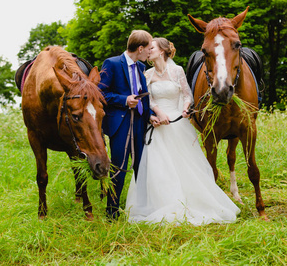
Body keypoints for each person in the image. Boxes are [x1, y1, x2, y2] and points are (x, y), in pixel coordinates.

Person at [125, 37, 240, 225]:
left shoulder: (177, 71)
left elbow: (186, 94)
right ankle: (161, 203)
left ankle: (193, 200)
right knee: (158, 166)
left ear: (161, 51)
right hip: (158, 124)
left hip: (178, 123)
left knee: (185, 164)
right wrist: (157, 112)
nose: (148, 50)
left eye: (151, 47)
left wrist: (186, 107)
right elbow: (148, 100)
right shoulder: (146, 74)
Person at [99, 30, 159, 220]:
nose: (150, 52)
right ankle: (112, 212)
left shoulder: (141, 67)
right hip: (120, 124)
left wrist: (150, 115)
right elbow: (100, 94)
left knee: (141, 166)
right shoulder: (112, 63)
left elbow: (143, 94)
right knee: (119, 168)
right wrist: (124, 100)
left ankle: (141, 209)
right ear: (140, 48)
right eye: (149, 48)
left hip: (140, 123)